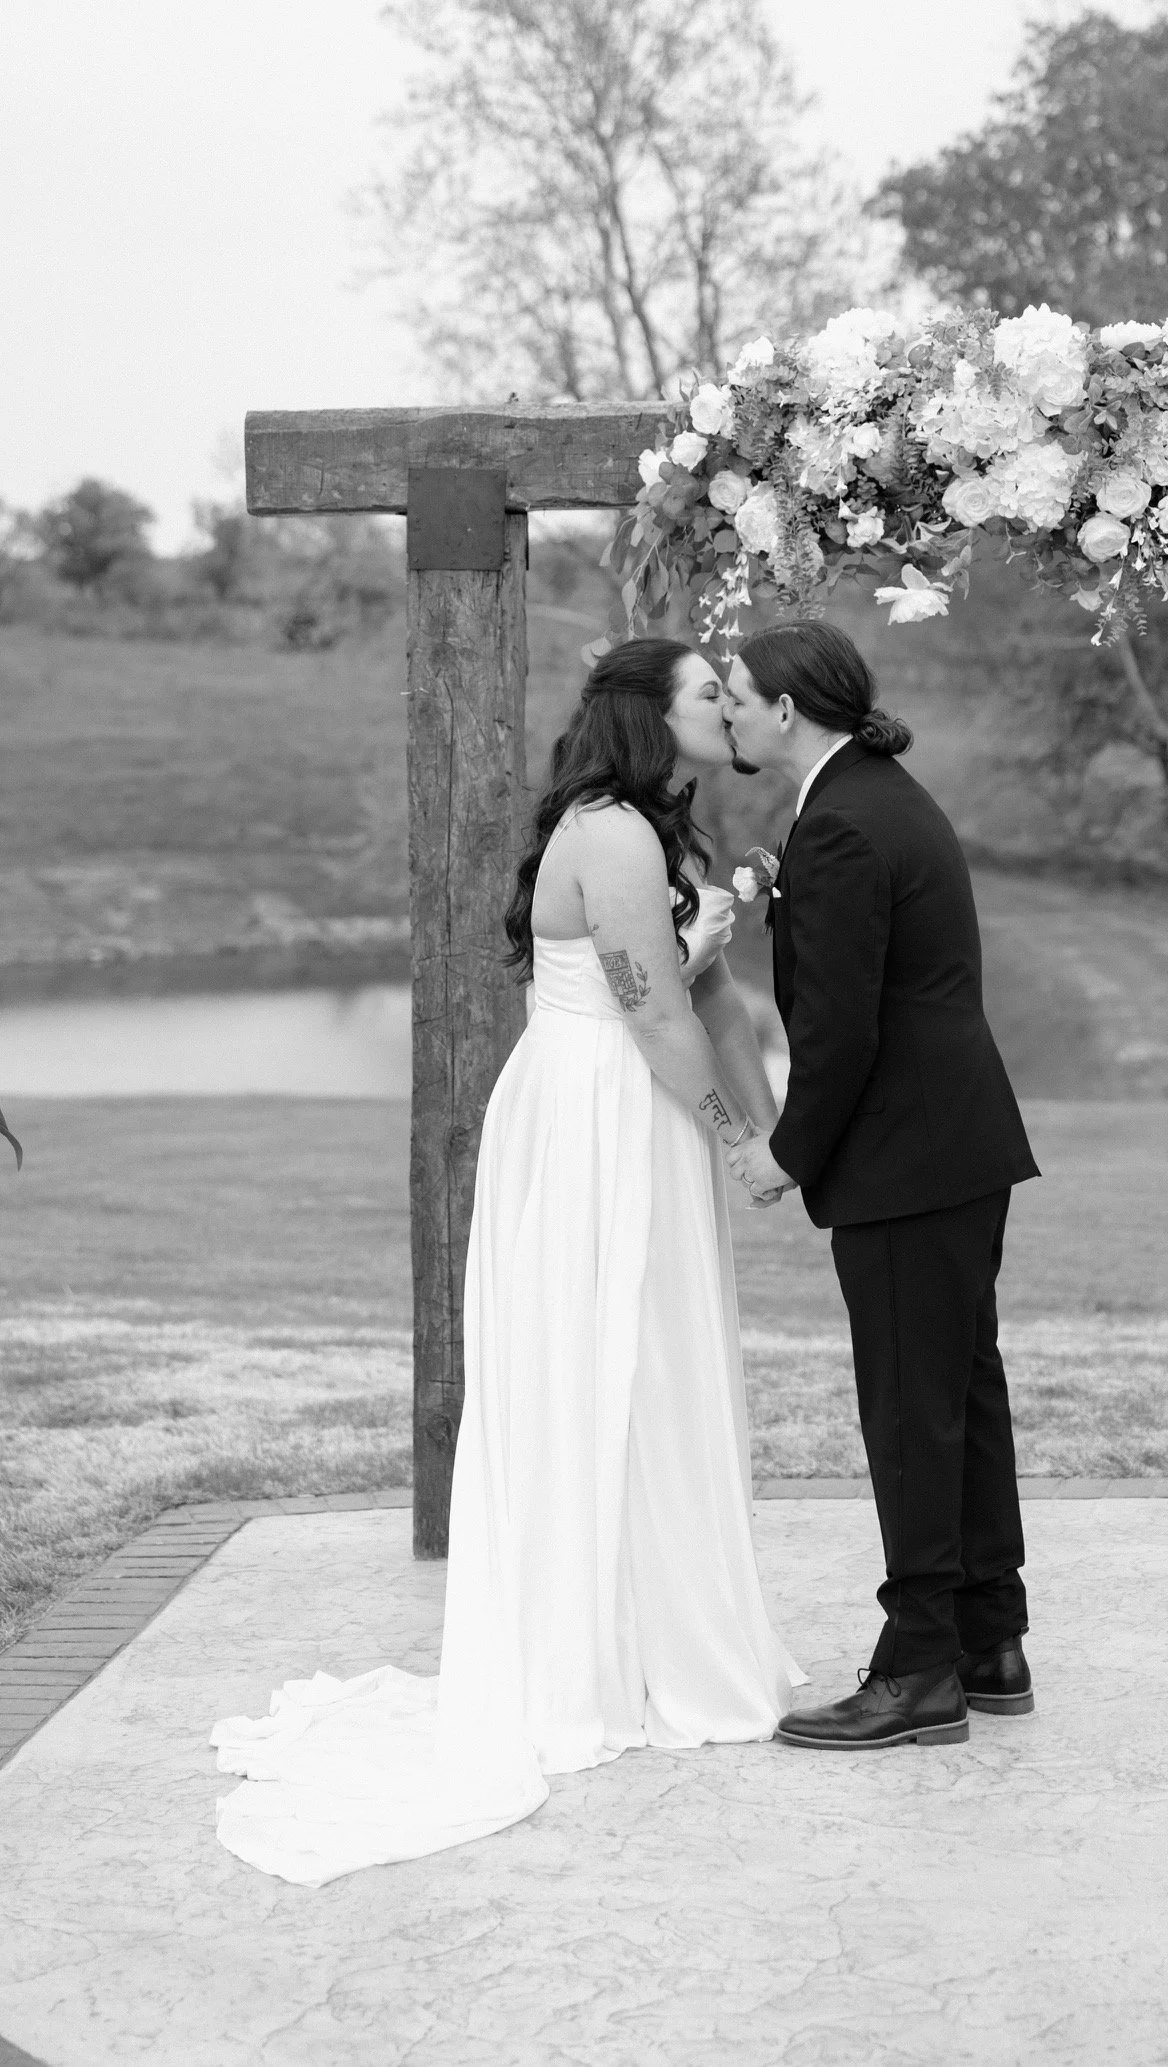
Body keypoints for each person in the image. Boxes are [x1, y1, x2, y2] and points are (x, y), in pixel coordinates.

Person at [211, 638, 804, 1886]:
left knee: (641, 1365)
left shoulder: (651, 830)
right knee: (604, 1357)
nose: (726, 705)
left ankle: (644, 1632)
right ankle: (593, 1662)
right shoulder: (617, 838)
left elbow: (700, 996)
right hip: (602, 1111)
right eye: (708, 692)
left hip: (622, 1098)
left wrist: (751, 1095)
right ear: (650, 716)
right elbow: (649, 1011)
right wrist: (737, 1143)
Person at [723, 620, 1041, 1750]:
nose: (726, 716)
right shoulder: (870, 796)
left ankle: (917, 1673)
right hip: (954, 1145)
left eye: (736, 699)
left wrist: (784, 1151)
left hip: (907, 1156)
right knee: (956, 1392)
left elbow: (841, 1032)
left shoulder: (849, 822)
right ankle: (987, 1639)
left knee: (910, 1409)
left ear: (791, 711)